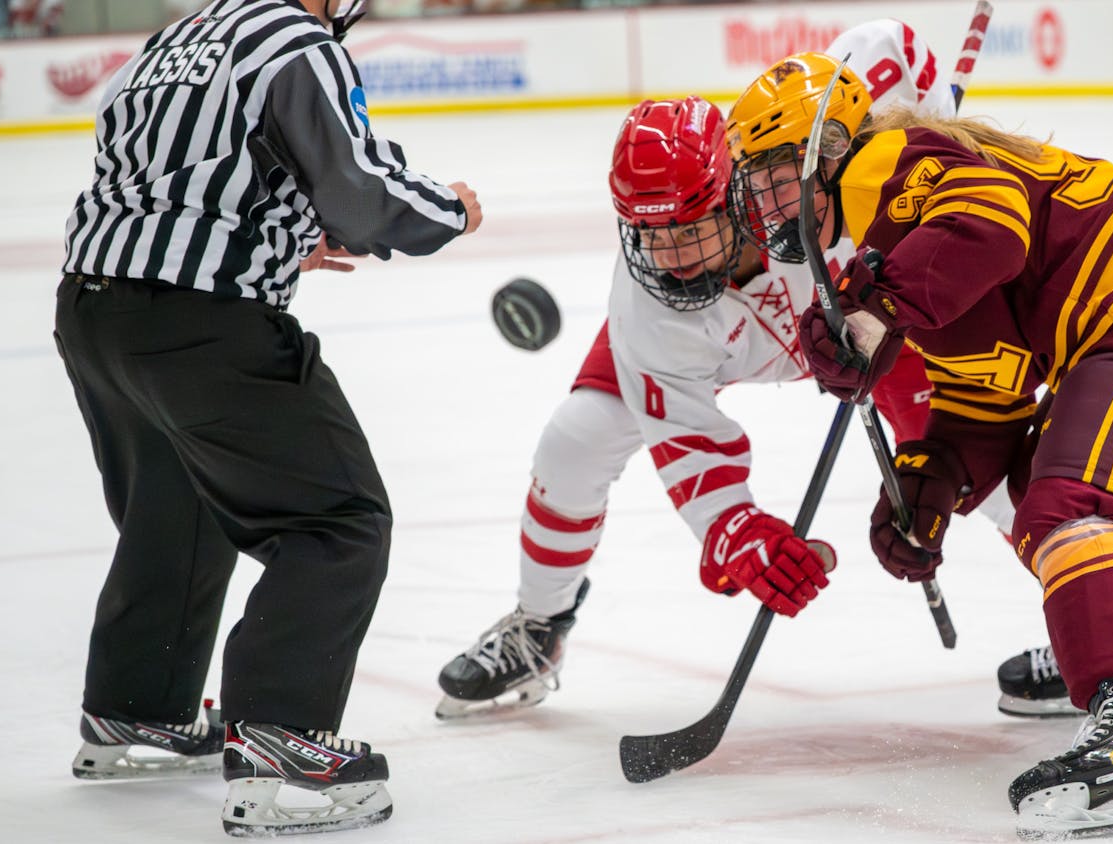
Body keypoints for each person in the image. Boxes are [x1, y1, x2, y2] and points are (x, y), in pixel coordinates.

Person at [727, 52, 1113, 837]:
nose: (768, 205)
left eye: (778, 178)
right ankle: (1101, 642)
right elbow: (987, 388)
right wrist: (934, 475)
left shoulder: (881, 168)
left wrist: (876, 310)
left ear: (828, 151)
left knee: (1070, 505)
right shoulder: (893, 235)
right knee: (1037, 494)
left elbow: (991, 226)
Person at [433, 20, 965, 720]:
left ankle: (1085, 612)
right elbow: (688, 442)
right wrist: (736, 532)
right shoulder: (648, 302)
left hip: (863, 324)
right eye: (651, 236)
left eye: (689, 230)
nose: (673, 259)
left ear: (734, 195)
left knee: (966, 457)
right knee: (575, 441)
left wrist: (940, 136)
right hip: (726, 346)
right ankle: (540, 625)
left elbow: (885, 42)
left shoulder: (801, 168)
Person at [54, 0, 479, 835]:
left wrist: (276, 235)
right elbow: (363, 194)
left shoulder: (173, 39)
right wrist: (452, 208)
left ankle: (135, 709)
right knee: (339, 518)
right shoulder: (295, 42)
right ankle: (281, 739)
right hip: (201, 323)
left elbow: (165, 183)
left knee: (177, 504)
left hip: (93, 312)